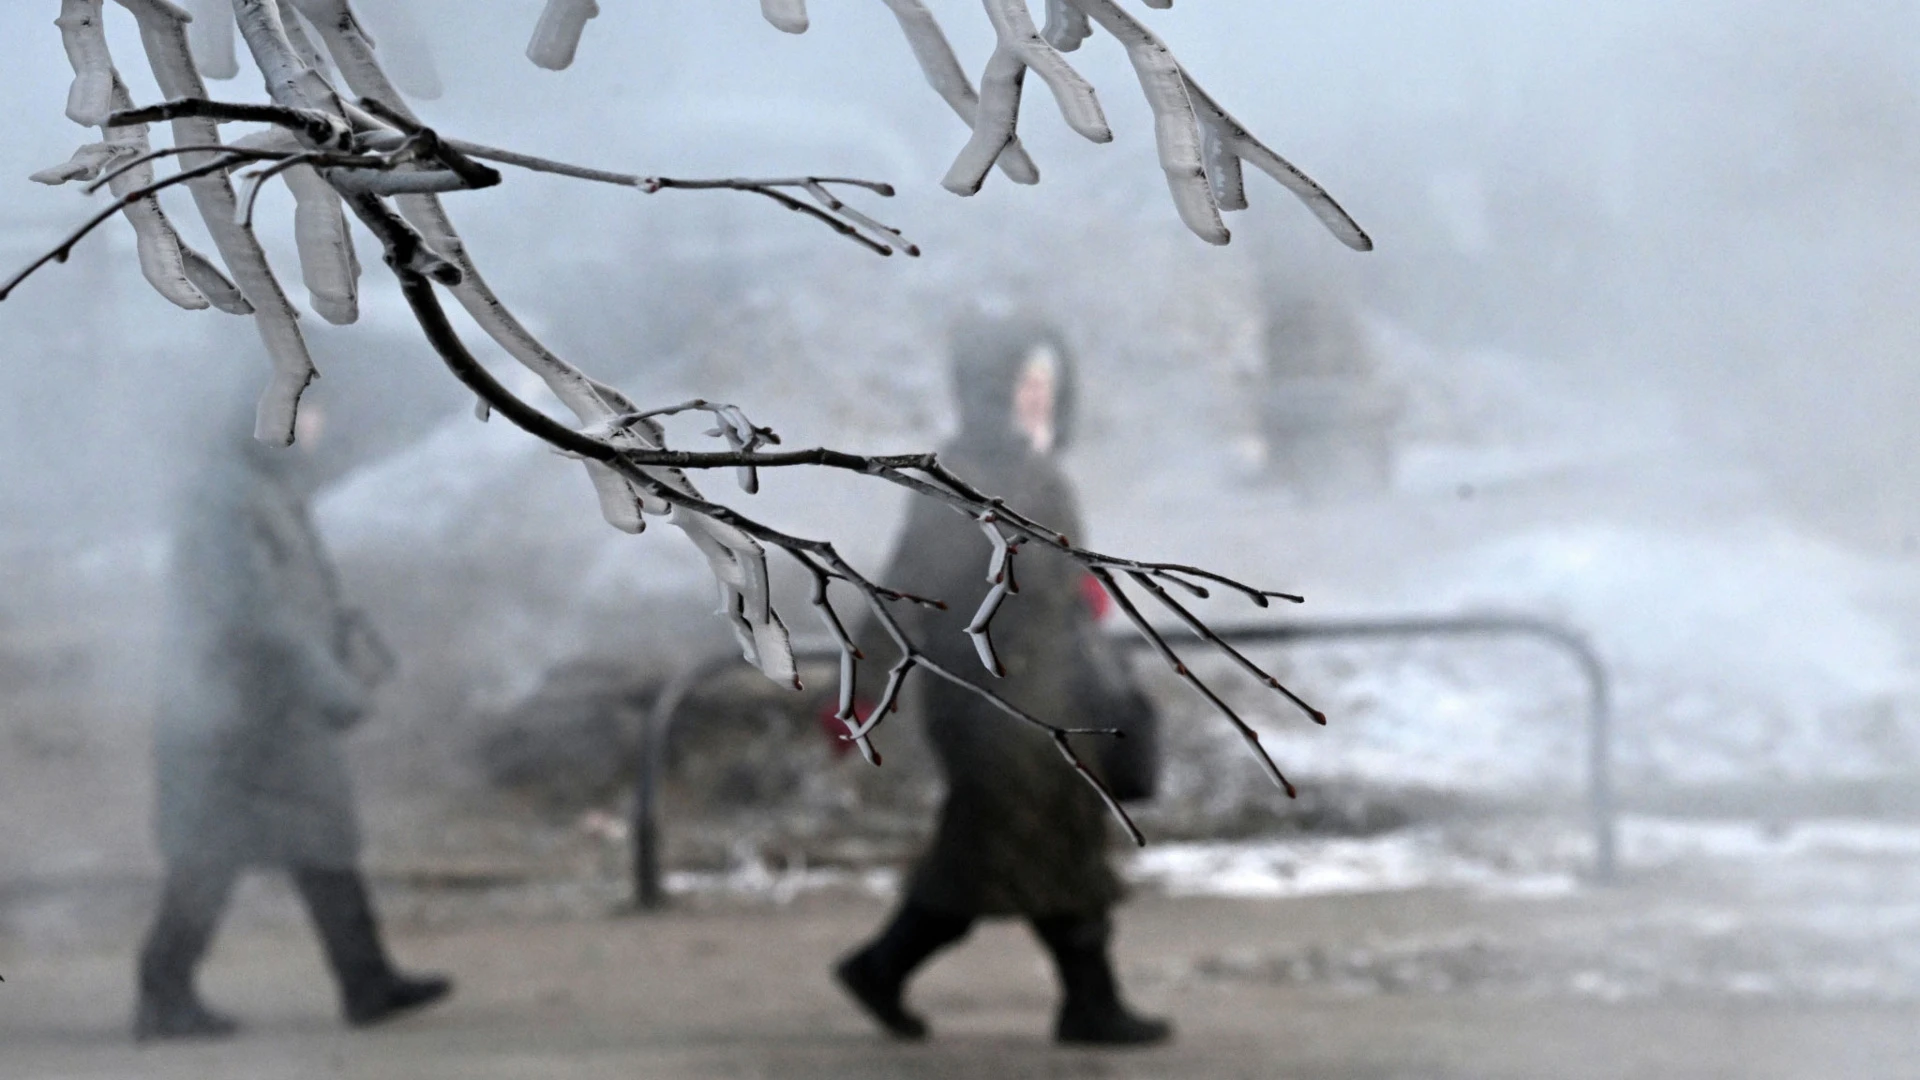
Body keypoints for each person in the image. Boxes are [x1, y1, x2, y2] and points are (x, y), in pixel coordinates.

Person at [833, 314, 1171, 1046]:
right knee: (1005, 849)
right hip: (992, 704)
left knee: (1046, 845)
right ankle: (890, 968)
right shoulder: (962, 481)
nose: (1039, 401)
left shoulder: (1036, 473)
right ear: (989, 391)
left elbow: (1056, 575)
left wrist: (1080, 593)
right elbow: (904, 590)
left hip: (1052, 696)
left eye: (1048, 385)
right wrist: (858, 691)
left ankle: (1081, 999)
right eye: (1026, 385)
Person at [134, 401, 451, 1041]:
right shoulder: (228, 500)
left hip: (270, 712)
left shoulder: (261, 490)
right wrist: (330, 684)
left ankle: (366, 981)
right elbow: (253, 615)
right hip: (233, 716)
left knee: (320, 841)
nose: (316, 427)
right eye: (305, 413)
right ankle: (164, 991)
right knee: (211, 853)